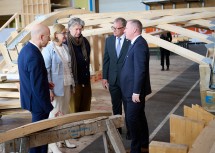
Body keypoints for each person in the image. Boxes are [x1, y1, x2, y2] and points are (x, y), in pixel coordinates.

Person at [18, 24, 53, 153]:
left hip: (32, 100)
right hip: (38, 104)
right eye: (48, 37)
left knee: (40, 138)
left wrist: (46, 83)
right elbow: (37, 86)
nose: (49, 40)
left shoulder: (26, 49)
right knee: (38, 139)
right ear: (41, 36)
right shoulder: (33, 55)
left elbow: (30, 78)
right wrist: (47, 106)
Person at [42, 24, 76, 153]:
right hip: (55, 87)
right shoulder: (49, 49)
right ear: (56, 34)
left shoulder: (66, 47)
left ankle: (64, 139)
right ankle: (52, 144)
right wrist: (49, 90)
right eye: (63, 33)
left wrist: (72, 85)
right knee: (54, 114)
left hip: (67, 84)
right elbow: (46, 71)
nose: (66, 35)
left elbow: (69, 67)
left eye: (66, 33)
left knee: (65, 113)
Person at [120, 19, 151, 153]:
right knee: (139, 117)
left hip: (134, 91)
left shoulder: (139, 45)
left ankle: (136, 149)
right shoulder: (135, 43)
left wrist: (136, 91)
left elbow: (140, 70)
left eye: (126, 28)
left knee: (132, 118)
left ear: (134, 30)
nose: (124, 30)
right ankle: (143, 144)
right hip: (131, 89)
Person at [102, 17, 130, 135]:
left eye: (116, 28)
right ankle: (118, 130)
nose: (114, 31)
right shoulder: (109, 40)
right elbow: (106, 60)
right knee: (116, 106)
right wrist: (104, 77)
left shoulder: (130, 41)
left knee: (128, 107)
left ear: (124, 29)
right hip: (113, 80)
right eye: (113, 28)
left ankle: (130, 131)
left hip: (127, 80)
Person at [67, 17, 91, 113]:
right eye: (76, 29)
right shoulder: (66, 43)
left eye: (80, 29)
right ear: (69, 29)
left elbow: (87, 60)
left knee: (85, 107)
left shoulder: (84, 41)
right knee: (74, 109)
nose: (79, 32)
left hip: (85, 79)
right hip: (74, 82)